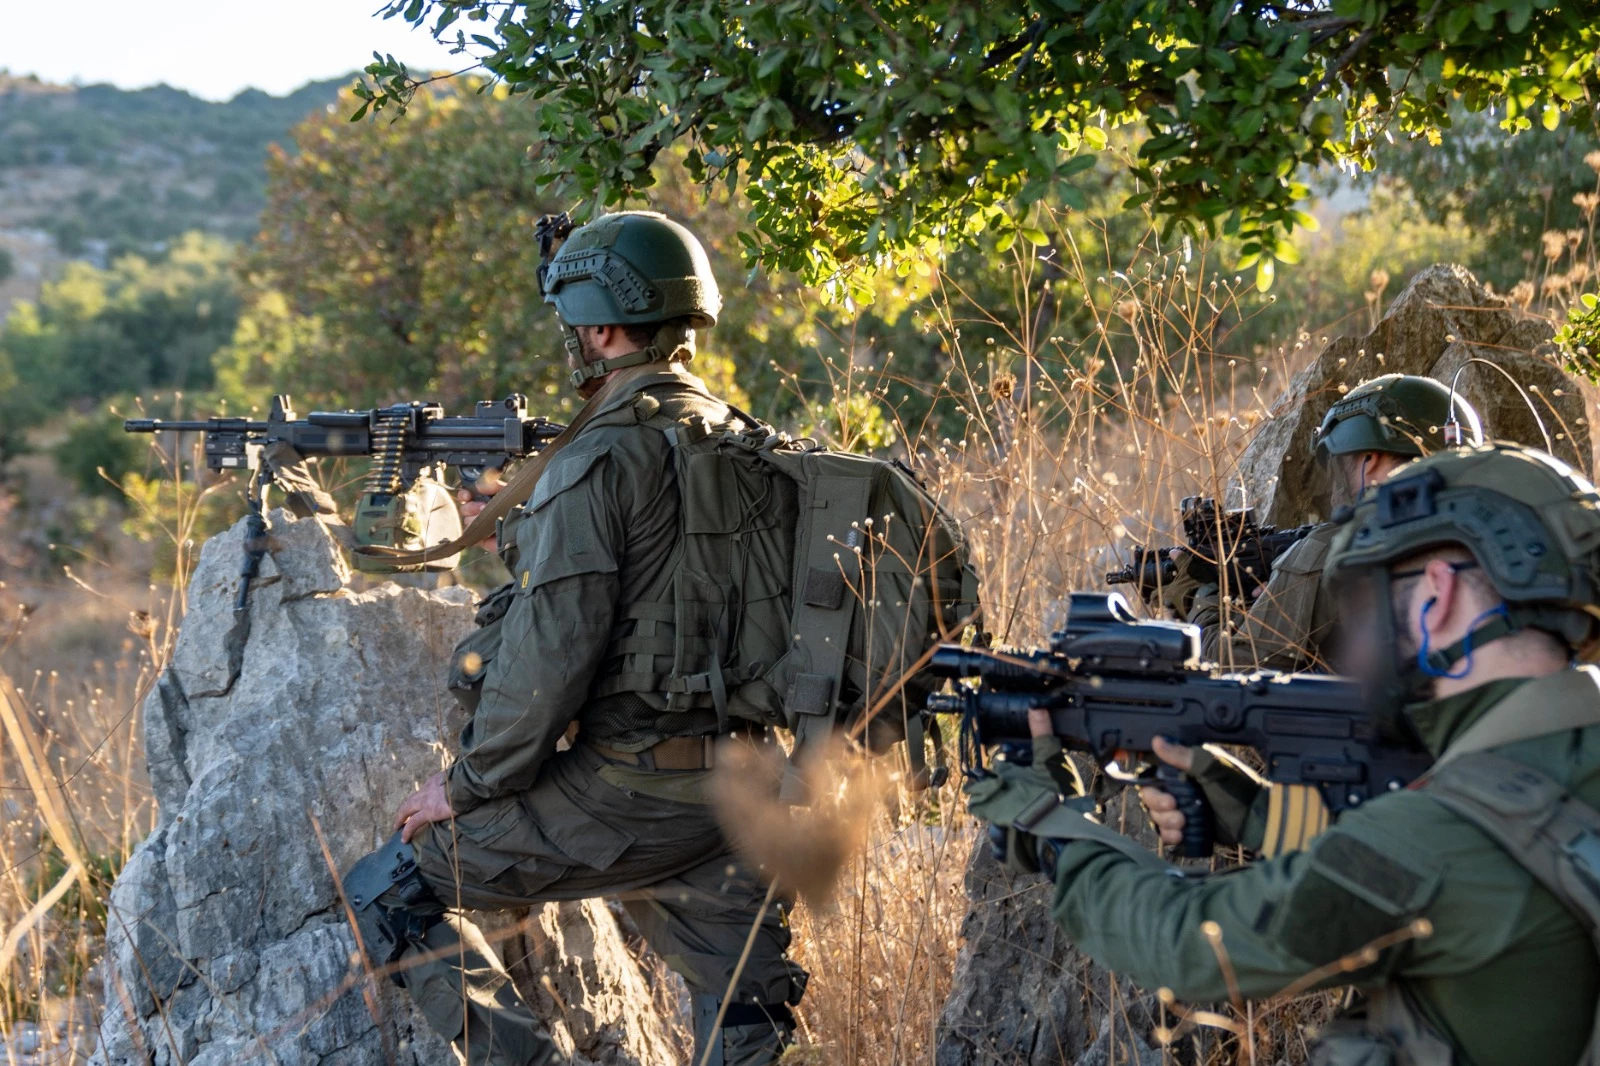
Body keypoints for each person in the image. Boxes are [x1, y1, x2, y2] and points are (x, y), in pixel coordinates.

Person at [342, 211, 806, 1066]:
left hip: (625, 797)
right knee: (744, 1014)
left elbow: (548, 657)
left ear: (598, 327)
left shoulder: (594, 462)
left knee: (387, 891)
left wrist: (468, 784)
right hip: (744, 789)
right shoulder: (750, 442)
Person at [970, 442, 1600, 1065]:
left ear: (1440, 595)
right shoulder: (1548, 768)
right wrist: (1255, 813)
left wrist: (1054, 830)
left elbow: (1194, 947)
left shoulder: (1439, 836)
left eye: (1379, 596)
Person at [1162, 374, 1483, 672]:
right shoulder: (1485, 527)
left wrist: (1198, 596)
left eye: (1344, 463)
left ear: (1371, 460)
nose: (1336, 486)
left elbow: (1232, 667)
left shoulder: (1336, 548)